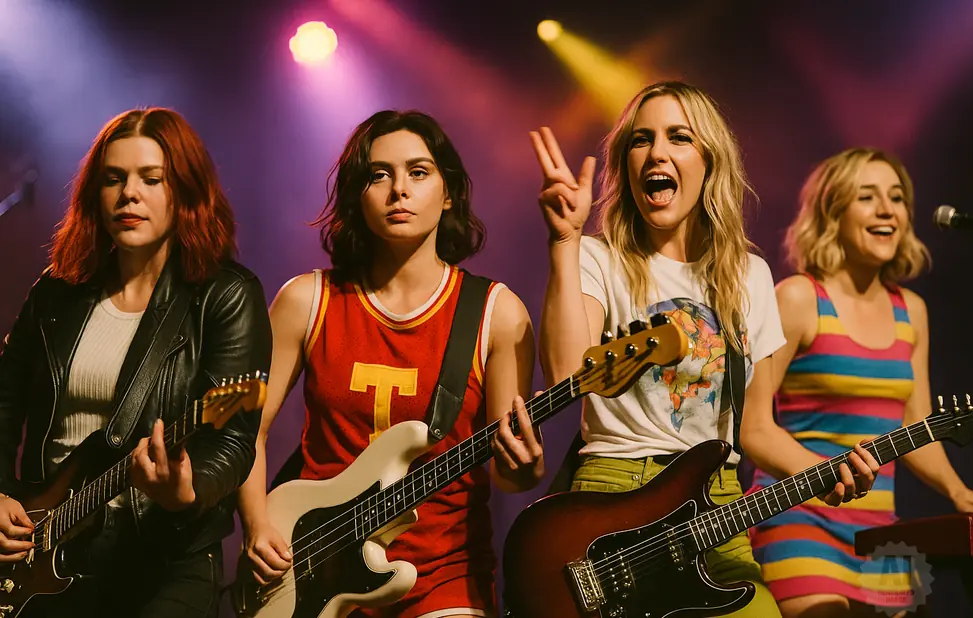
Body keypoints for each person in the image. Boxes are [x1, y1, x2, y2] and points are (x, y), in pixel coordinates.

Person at [532, 81, 881, 617]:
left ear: (709, 162)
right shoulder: (597, 259)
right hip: (611, 497)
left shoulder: (749, 275)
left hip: (714, 505)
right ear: (626, 164)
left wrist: (826, 473)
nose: (657, 152)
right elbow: (563, 375)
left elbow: (756, 429)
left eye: (679, 137)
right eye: (641, 140)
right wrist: (564, 241)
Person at [236, 110, 540, 618]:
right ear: (359, 195)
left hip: (445, 579)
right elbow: (246, 430)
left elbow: (510, 477)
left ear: (449, 194)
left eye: (418, 172)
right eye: (379, 174)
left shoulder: (496, 313)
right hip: (313, 572)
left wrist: (525, 467)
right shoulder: (307, 300)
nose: (399, 188)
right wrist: (257, 525)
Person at [0, 108, 272, 617]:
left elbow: (234, 439)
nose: (129, 194)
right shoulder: (57, 293)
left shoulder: (225, 295)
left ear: (184, 192)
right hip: (43, 548)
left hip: (163, 558)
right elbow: (4, 399)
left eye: (152, 179)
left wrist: (186, 489)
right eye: (113, 179)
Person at [748, 147, 973, 617]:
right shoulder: (799, 298)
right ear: (833, 212)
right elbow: (753, 428)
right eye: (868, 196)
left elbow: (915, 427)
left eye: (898, 197)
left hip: (880, 531)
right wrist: (827, 478)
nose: (888, 209)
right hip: (800, 517)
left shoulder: (913, 312)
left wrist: (956, 490)